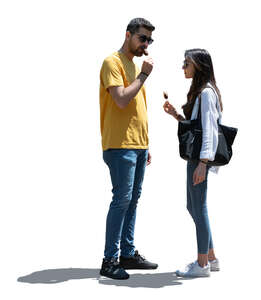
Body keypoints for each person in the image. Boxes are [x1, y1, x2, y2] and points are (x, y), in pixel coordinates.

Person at [99, 18, 158, 280]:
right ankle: (109, 260)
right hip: (120, 145)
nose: (145, 44)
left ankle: (127, 253)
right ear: (128, 35)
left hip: (138, 145)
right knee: (121, 200)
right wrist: (144, 75)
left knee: (132, 201)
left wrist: (146, 144)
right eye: (142, 38)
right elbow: (122, 100)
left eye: (149, 40)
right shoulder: (112, 62)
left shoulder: (134, 66)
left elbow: (138, 111)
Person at [163, 49, 222, 278]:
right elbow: (195, 125)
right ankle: (212, 257)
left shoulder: (206, 93)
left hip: (199, 159)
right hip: (197, 158)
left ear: (197, 65)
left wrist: (203, 163)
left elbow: (210, 130)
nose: (183, 67)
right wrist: (176, 115)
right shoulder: (201, 92)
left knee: (199, 207)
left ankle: (202, 264)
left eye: (186, 63)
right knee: (194, 206)